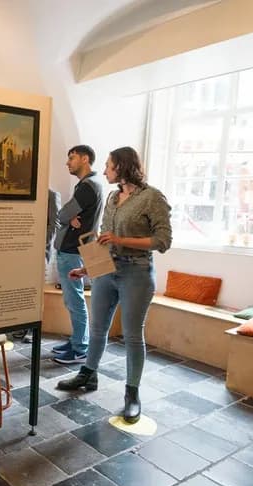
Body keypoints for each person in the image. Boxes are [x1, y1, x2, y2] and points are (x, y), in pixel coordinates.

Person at [57, 146, 172, 424]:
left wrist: (122, 241)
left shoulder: (152, 198)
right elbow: (104, 240)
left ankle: (132, 394)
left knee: (133, 336)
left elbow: (163, 242)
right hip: (106, 272)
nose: (105, 170)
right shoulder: (111, 197)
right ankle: (88, 374)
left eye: (109, 166)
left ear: (122, 167)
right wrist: (89, 268)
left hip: (137, 273)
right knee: (98, 329)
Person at [50, 145, 105, 364]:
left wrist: (68, 217)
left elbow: (62, 214)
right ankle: (76, 341)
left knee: (75, 300)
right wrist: (69, 217)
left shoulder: (87, 187)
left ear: (84, 159)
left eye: (72, 158)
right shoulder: (89, 185)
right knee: (73, 299)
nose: (68, 162)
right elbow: (66, 216)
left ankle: (80, 348)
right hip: (77, 249)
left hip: (73, 250)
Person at [11, 188, 61, 343]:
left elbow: (55, 224)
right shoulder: (25, 191)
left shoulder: (52, 195)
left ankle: (34, 330)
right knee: (22, 288)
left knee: (36, 292)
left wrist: (41, 244)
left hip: (40, 251)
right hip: (22, 249)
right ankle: (23, 325)